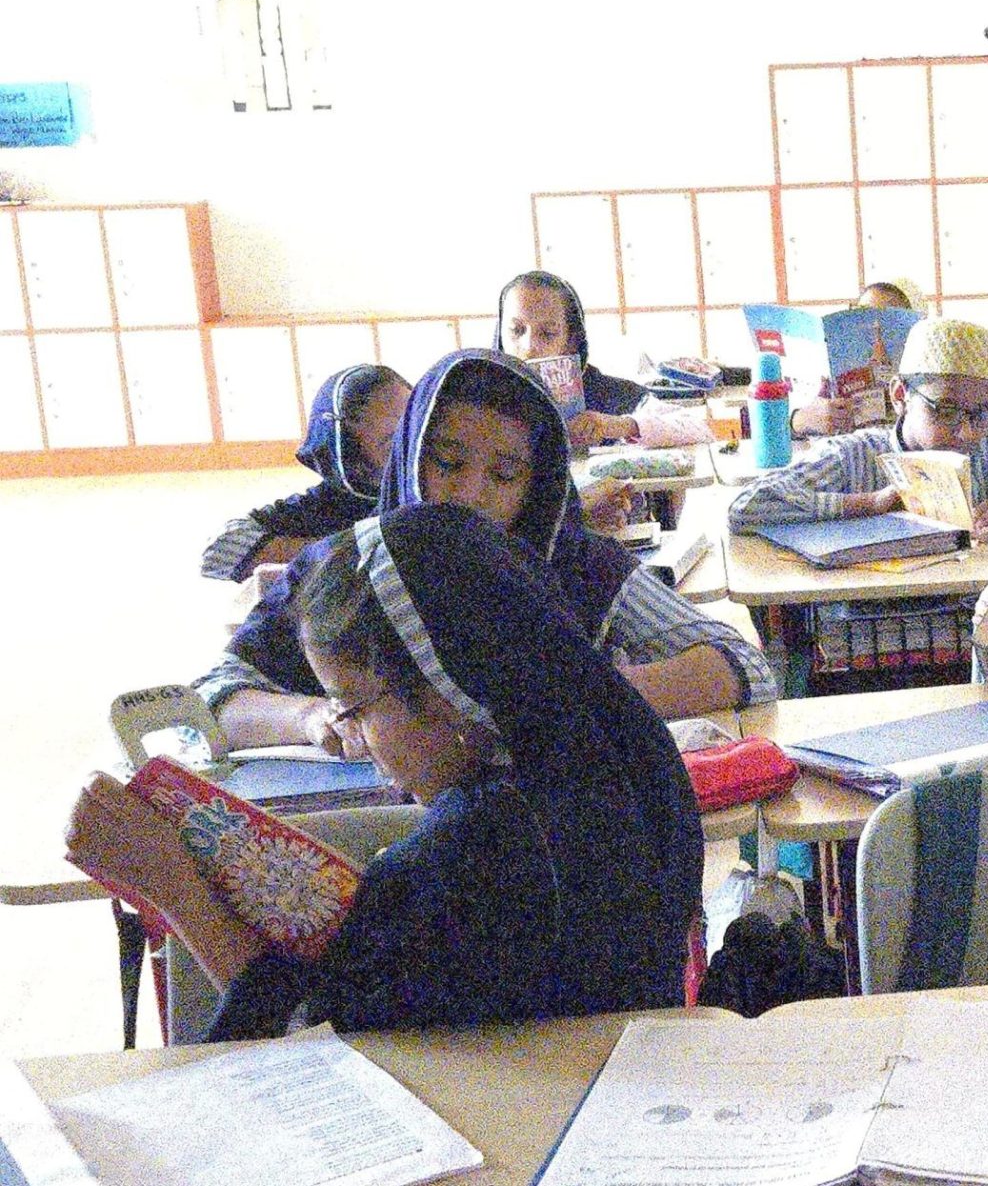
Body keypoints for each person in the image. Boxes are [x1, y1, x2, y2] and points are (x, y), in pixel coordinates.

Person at [69, 503, 702, 1038]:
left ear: (443, 688)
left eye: (354, 708)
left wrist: (173, 887)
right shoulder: (625, 747)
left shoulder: (473, 851)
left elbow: (313, 1045)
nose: (355, 737)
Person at [199, 349, 775, 751]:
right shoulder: (345, 570)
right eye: (448, 463)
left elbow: (745, 665)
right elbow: (211, 700)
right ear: (409, 456)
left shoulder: (576, 567)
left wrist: (576, 695)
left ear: (535, 488)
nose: (470, 495)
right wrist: (310, 717)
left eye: (503, 475)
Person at [728, 316, 988, 537]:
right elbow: (745, 507)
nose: (967, 432)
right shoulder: (853, 457)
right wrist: (868, 503)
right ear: (900, 396)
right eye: (947, 411)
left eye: (980, 414)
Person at [199, 364, 410, 582]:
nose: (413, 447)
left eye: (415, 428)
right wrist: (353, 549)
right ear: (353, 462)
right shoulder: (331, 506)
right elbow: (219, 553)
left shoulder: (427, 487)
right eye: (391, 442)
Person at [494, 269, 705, 451]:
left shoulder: (606, 393)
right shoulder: (483, 397)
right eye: (516, 330)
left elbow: (698, 427)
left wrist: (619, 425)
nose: (529, 346)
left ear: (572, 341)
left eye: (548, 333)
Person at [791, 275, 923, 439]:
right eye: (865, 314)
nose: (876, 323)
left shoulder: (924, 373)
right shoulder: (831, 373)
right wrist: (801, 420)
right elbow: (774, 427)